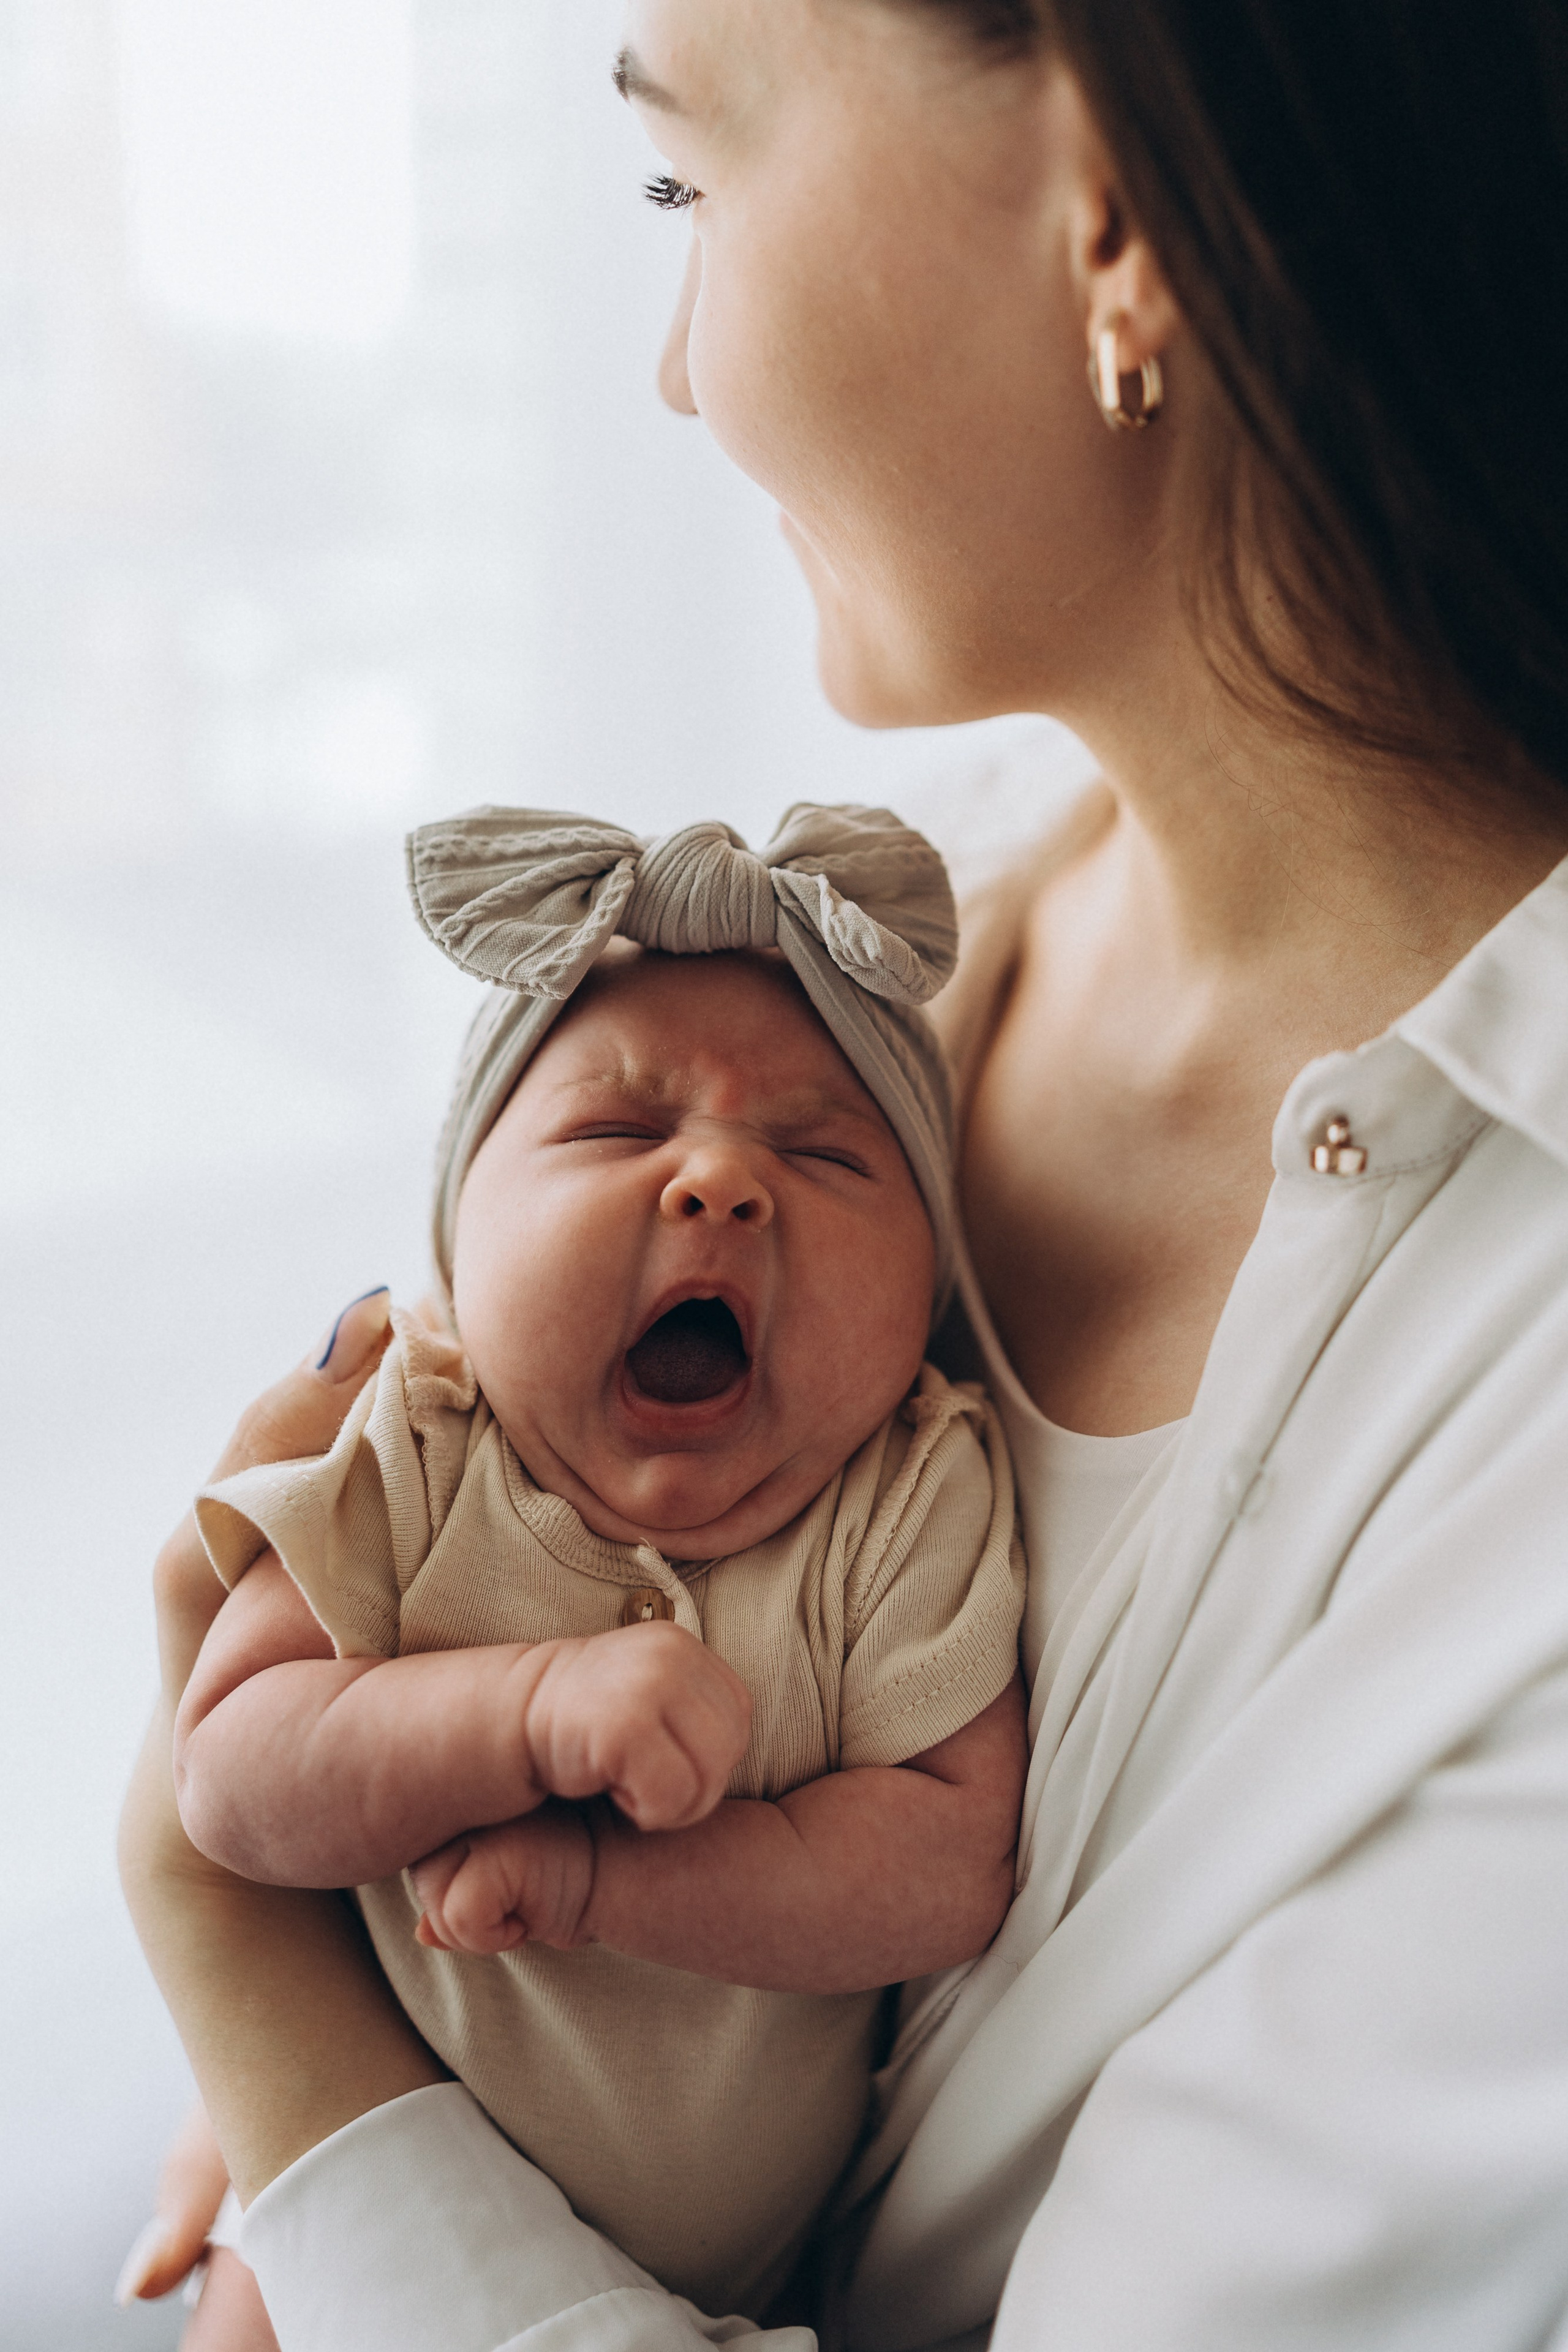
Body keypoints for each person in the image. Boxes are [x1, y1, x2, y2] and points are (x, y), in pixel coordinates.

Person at [118, 0, 1568, 2346]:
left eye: (689, 187)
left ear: (1114, 207)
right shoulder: (882, 957)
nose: (677, 376)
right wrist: (421, 2085)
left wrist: (285, 2047)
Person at [171, 803, 1025, 2319]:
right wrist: (526, 1710)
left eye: (824, 1157)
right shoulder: (415, 1446)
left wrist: (598, 1884)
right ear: (454, 1258)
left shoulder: (906, 1494)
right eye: (618, 1132)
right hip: (348, 2158)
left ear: (927, 1304)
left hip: (731, 2294)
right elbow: (231, 1778)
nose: (717, 1182)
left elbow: (947, 1862)